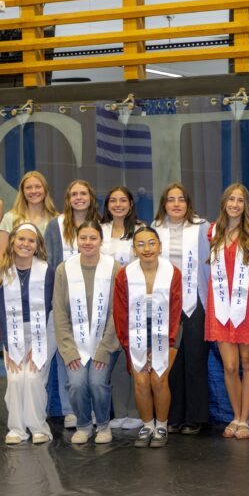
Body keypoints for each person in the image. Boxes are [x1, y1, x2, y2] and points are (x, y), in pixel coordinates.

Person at [114, 226, 183, 449]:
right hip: (136, 330)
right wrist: (128, 344)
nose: (147, 248)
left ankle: (161, 425)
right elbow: (120, 312)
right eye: (141, 244)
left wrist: (165, 343)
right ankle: (147, 426)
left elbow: (175, 310)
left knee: (159, 378)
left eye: (152, 243)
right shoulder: (124, 275)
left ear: (160, 246)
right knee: (142, 380)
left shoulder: (173, 272)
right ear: (134, 249)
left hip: (168, 330)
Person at [52, 221, 121, 445]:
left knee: (97, 382)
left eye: (93, 238)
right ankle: (83, 425)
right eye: (83, 238)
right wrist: (69, 351)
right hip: (75, 343)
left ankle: (102, 424)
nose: (88, 242)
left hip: (105, 342)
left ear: (101, 241)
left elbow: (116, 312)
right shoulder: (64, 269)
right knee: (77, 383)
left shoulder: (114, 268)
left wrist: (104, 349)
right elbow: (60, 314)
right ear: (76, 241)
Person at [0, 223, 55, 445]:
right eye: (21, 239)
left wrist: (36, 346)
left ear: (37, 245)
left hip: (43, 331)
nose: (25, 244)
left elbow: (49, 309)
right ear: (13, 241)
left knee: (34, 378)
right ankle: (17, 428)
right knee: (17, 378)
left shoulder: (47, 271)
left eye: (31, 241)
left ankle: (39, 428)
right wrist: (9, 346)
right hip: (13, 332)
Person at [153, 183, 211, 435]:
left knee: (195, 359)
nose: (176, 204)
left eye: (181, 199)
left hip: (195, 300)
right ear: (163, 204)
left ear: (188, 204)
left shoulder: (202, 228)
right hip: (164, 303)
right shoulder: (153, 230)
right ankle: (173, 415)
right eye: (170, 199)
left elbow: (211, 264)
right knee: (170, 362)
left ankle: (195, 416)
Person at [207, 184, 249, 440]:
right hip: (220, 308)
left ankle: (245, 419)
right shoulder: (213, 232)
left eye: (240, 200)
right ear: (224, 202)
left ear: (246, 205)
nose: (235, 204)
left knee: (248, 363)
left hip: (246, 306)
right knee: (229, 367)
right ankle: (235, 415)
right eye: (231, 199)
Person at [44, 179, 101, 429]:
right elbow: (48, 263)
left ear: (91, 197)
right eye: (74, 194)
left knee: (94, 353)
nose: (79, 197)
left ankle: (95, 408)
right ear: (67, 199)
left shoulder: (103, 224)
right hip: (65, 300)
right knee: (64, 355)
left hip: (96, 300)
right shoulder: (55, 226)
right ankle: (70, 408)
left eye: (83, 193)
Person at [101, 185, 145, 432]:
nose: (118, 205)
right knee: (114, 356)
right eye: (113, 200)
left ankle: (136, 410)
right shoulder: (99, 229)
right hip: (103, 301)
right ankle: (119, 411)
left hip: (132, 301)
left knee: (134, 354)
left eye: (123, 200)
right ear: (107, 204)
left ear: (130, 204)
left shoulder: (140, 229)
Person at [0, 170, 59, 256]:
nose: (33, 191)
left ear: (45, 189)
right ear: (23, 192)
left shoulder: (56, 220)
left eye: (38, 186)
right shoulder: (9, 218)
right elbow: (1, 254)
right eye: (28, 188)